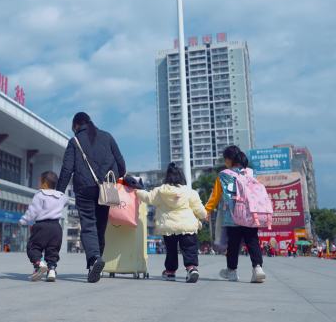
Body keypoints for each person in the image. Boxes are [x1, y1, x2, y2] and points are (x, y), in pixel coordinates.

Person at [56, 112, 126, 283]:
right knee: (100, 227)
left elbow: (66, 170)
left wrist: (58, 192)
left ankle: (94, 259)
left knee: (88, 225)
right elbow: (122, 166)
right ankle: (96, 263)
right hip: (106, 189)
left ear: (76, 125)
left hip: (84, 189)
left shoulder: (75, 141)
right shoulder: (107, 137)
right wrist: (111, 177)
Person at [136, 162, 207, 283]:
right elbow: (199, 209)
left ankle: (170, 271)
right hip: (187, 226)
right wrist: (204, 215)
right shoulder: (189, 192)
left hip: (168, 227)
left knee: (171, 250)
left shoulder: (160, 191)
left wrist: (136, 190)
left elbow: (148, 197)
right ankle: (191, 268)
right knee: (189, 248)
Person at [205, 145, 266, 283]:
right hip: (251, 216)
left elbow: (214, 196)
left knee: (233, 244)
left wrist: (207, 210)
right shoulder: (252, 173)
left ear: (228, 160)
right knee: (252, 242)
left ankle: (232, 271)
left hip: (232, 217)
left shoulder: (223, 175)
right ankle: (257, 268)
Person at [19, 171, 69, 282]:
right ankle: (51, 270)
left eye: (39, 181)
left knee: (33, 247)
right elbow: (67, 201)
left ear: (45, 183)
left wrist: (23, 220)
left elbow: (33, 211)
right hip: (56, 227)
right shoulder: (61, 196)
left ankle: (39, 263)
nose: (38, 183)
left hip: (41, 226)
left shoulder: (40, 195)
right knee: (52, 250)